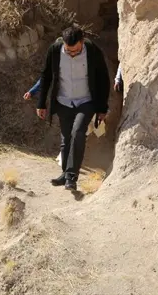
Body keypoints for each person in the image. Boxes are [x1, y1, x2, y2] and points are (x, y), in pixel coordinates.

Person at [34, 25, 110, 191]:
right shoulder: (55, 50)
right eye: (69, 51)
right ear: (64, 45)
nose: (72, 54)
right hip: (64, 101)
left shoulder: (92, 50)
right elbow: (46, 76)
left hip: (86, 101)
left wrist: (102, 108)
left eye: (75, 51)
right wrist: (41, 103)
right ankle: (65, 174)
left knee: (78, 132)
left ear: (82, 42)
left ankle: (71, 177)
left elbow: (103, 78)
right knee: (66, 139)